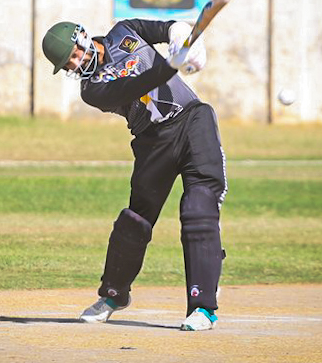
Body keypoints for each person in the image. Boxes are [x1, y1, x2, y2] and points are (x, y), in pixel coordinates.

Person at [42, 17, 227, 331]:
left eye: (73, 55)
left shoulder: (124, 31)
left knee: (198, 207)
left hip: (193, 121)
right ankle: (113, 295)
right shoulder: (92, 89)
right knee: (134, 221)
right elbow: (135, 86)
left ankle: (203, 306)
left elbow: (169, 28)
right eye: (67, 65)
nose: (74, 64)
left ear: (83, 37)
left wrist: (184, 40)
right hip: (152, 141)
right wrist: (170, 65)